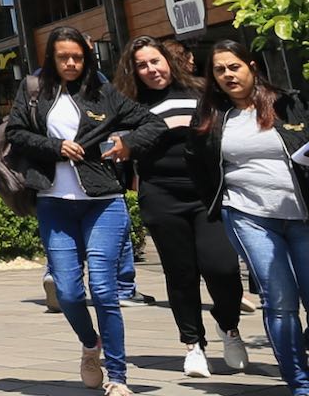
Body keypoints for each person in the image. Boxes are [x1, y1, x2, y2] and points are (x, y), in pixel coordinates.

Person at [6, 25, 158, 396]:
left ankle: (118, 377)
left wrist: (127, 144)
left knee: (104, 290)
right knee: (69, 293)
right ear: (51, 58)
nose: (71, 63)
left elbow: (152, 123)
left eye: (78, 57)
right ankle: (91, 346)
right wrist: (55, 146)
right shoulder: (34, 91)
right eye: (64, 57)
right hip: (54, 203)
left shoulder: (104, 93)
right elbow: (15, 133)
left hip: (104, 202)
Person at [115, 35, 248, 376]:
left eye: (155, 61)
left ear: (168, 61)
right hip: (161, 195)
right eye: (141, 65)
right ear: (133, 71)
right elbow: (120, 146)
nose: (150, 69)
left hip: (207, 195)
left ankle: (229, 327)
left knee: (223, 268)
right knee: (181, 273)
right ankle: (193, 344)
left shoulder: (201, 91)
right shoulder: (128, 105)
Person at [197, 37, 309, 394]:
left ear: (252, 67)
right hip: (249, 215)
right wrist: (218, 203)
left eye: (234, 67)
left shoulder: (289, 103)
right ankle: (299, 383)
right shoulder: (213, 117)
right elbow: (196, 163)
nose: (228, 75)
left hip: (301, 215)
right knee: (280, 299)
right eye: (220, 70)